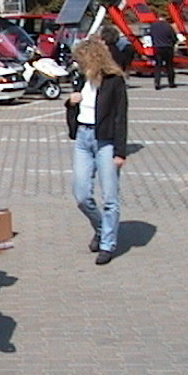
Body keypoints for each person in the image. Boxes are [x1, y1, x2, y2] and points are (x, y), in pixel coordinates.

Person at [64, 37, 128, 265]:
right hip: (83, 137)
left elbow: (121, 117)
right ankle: (101, 228)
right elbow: (73, 108)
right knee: (81, 195)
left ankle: (108, 244)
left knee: (110, 197)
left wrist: (120, 152)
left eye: (81, 60)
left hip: (106, 141)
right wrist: (70, 103)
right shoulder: (80, 79)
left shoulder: (114, 81)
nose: (79, 66)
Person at [149, 14, 177, 90]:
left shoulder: (153, 26)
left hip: (158, 48)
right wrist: (173, 43)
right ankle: (171, 83)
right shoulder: (168, 26)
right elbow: (174, 38)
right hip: (168, 47)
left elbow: (151, 35)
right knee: (169, 66)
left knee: (158, 66)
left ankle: (157, 83)